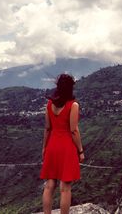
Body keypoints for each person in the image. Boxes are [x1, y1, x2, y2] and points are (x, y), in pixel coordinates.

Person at [39, 73, 85, 214]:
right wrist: (81, 150)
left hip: (52, 145)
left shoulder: (49, 104)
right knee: (65, 187)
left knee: (49, 185)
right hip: (67, 148)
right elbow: (74, 131)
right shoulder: (73, 105)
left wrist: (44, 148)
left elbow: (47, 128)